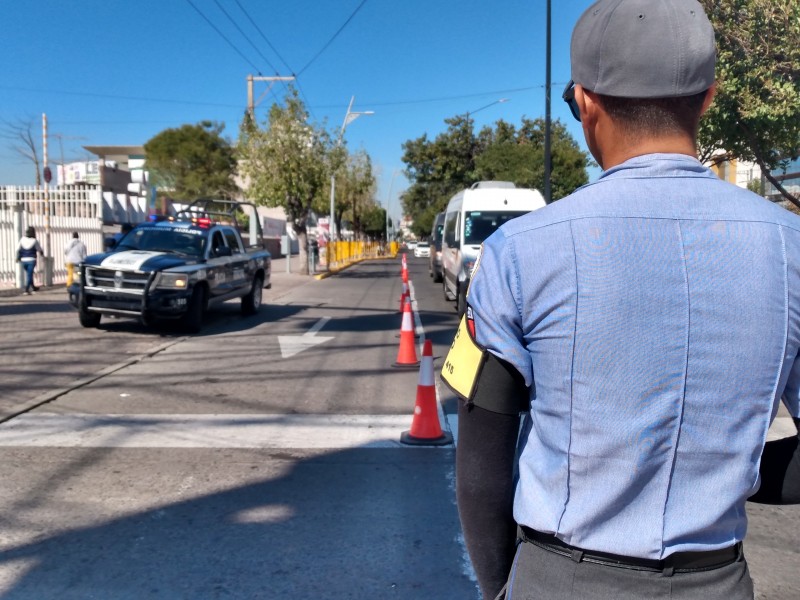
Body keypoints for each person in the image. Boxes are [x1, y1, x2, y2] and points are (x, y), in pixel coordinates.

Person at [444, 1, 800, 598]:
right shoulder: (790, 248)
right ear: (708, 98)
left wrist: (500, 588)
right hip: (717, 582)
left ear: (585, 103)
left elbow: (481, 461)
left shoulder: (517, 251)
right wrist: (723, 466)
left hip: (559, 579)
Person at [16, 226, 44, 295]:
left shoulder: (22, 239)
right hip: (32, 259)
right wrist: (42, 255)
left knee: (29, 274)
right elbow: (39, 249)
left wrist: (17, 257)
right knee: (29, 275)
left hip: (23, 260)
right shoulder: (34, 241)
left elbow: (18, 249)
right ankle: (26, 289)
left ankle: (33, 287)